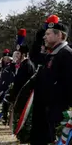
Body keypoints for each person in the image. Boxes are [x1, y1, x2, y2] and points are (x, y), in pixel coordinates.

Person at [31, 16, 72, 144]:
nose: (44, 37)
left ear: (59, 35)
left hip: (61, 112)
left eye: (48, 34)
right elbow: (35, 56)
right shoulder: (52, 54)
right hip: (49, 111)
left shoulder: (66, 54)